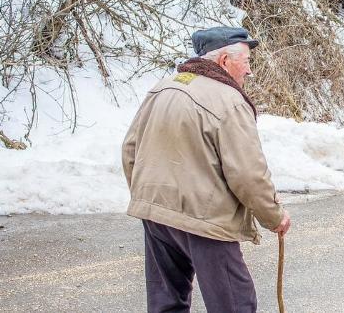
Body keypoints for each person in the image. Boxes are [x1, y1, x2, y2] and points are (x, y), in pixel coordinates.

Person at [122, 26, 291, 313]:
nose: (249, 72)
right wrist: (273, 215)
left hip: (155, 215)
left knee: (166, 302)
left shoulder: (163, 88)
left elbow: (130, 150)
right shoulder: (229, 100)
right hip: (206, 219)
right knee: (235, 304)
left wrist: (149, 197)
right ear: (225, 61)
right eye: (247, 62)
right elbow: (248, 174)